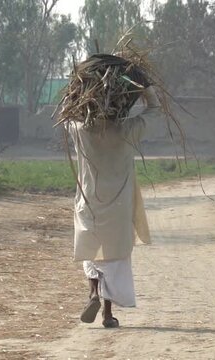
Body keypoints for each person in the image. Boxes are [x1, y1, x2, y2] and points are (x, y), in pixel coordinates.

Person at [66, 63, 160, 328]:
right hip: (118, 206)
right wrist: (146, 87)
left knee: (91, 251)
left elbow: (69, 113)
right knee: (115, 259)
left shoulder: (80, 131)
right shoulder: (128, 130)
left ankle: (93, 292)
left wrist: (77, 90)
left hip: (89, 203)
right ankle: (107, 313)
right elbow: (154, 110)